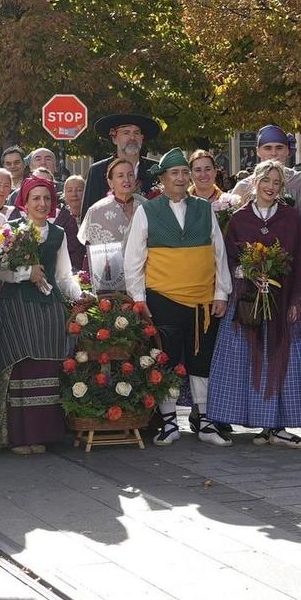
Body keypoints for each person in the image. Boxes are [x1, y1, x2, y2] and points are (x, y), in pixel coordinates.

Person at [126, 150, 231, 446]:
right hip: (163, 297)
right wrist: (139, 297)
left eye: (185, 173)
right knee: (166, 360)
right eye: (175, 173)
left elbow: (219, 252)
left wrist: (221, 292)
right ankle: (170, 422)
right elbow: (134, 257)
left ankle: (206, 422)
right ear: (162, 179)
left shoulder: (203, 208)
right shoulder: (147, 210)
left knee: (202, 360)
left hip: (203, 301)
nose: (181, 178)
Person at [206, 161, 301, 448]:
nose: (271, 186)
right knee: (246, 360)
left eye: (277, 183)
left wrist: (296, 301)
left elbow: (300, 260)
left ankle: (277, 427)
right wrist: (249, 273)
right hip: (247, 302)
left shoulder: (291, 218)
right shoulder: (239, 219)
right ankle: (256, 423)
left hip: (282, 298)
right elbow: (228, 259)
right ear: (255, 182)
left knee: (281, 361)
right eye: (266, 180)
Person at [0, 174, 86, 452]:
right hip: (17, 306)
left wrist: (80, 296)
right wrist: (24, 273)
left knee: (47, 367)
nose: (42, 204)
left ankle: (43, 434)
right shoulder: (10, 229)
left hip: (49, 308)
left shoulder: (58, 234)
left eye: (46, 198)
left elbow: (65, 276)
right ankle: (21, 436)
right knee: (22, 367)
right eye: (36, 198)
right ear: (25, 202)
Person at [82, 158, 143, 293]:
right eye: (120, 176)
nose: (126, 179)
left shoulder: (147, 206)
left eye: (130, 175)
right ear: (111, 182)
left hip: (145, 280)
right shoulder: (97, 210)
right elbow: (90, 253)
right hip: (111, 284)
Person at [83, 113, 162, 207]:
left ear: (142, 138)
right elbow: (88, 214)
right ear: (114, 138)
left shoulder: (157, 169)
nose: (132, 138)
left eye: (136, 133)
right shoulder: (98, 170)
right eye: (126, 133)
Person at [230, 126, 301, 205]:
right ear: (258, 151)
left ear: (287, 150)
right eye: (268, 148)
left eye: (279, 148)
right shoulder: (243, 187)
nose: (274, 153)